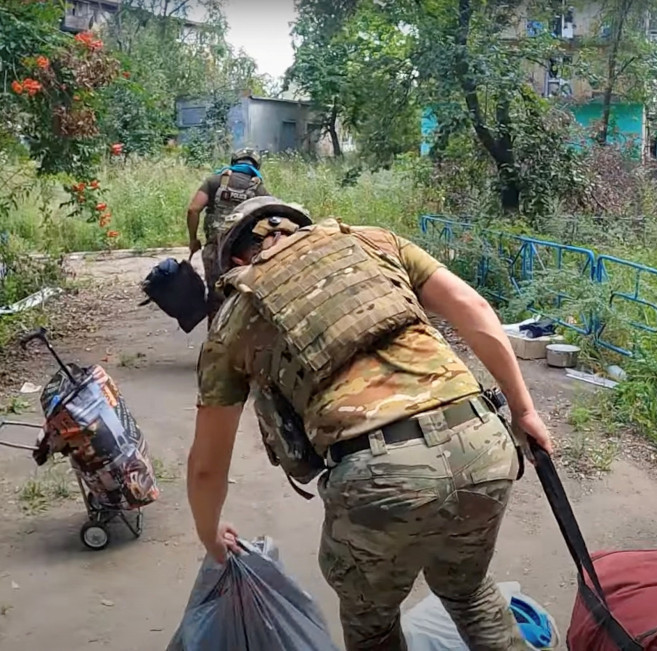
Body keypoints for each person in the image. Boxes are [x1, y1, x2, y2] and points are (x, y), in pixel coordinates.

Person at [186, 195, 554, 651]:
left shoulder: (234, 317)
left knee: (374, 628)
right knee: (470, 590)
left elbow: (206, 465)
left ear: (236, 258)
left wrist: (210, 535)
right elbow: (473, 308)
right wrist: (524, 410)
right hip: (481, 439)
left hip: (377, 476)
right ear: (303, 228)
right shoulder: (372, 242)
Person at [184, 148, 269, 323]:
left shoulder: (214, 181)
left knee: (215, 297)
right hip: (242, 255)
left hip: (215, 250)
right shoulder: (258, 188)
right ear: (256, 165)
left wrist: (193, 240)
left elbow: (193, 210)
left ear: (234, 161)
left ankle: (213, 343)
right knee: (240, 298)